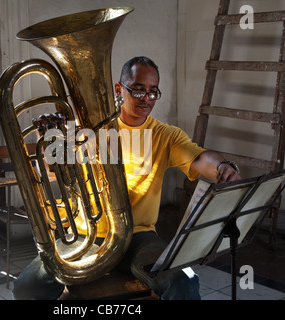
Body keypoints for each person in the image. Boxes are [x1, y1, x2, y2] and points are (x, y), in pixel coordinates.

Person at [12, 56, 241, 300]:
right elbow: (51, 171)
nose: (147, 99)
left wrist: (222, 167)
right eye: (139, 90)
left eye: (153, 92)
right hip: (86, 237)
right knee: (26, 287)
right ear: (119, 89)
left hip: (138, 237)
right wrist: (47, 138)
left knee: (184, 282)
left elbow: (200, 158)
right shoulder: (85, 129)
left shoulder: (165, 135)